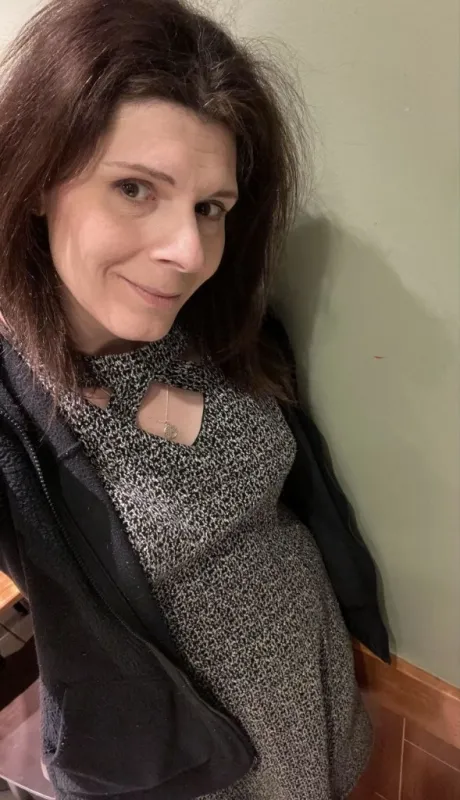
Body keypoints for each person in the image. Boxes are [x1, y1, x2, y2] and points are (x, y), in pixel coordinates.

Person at [0, 1, 389, 798]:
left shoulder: (216, 319)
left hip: (308, 680)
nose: (187, 251)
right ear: (39, 179)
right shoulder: (15, 399)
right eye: (135, 188)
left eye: (211, 207)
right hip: (186, 760)